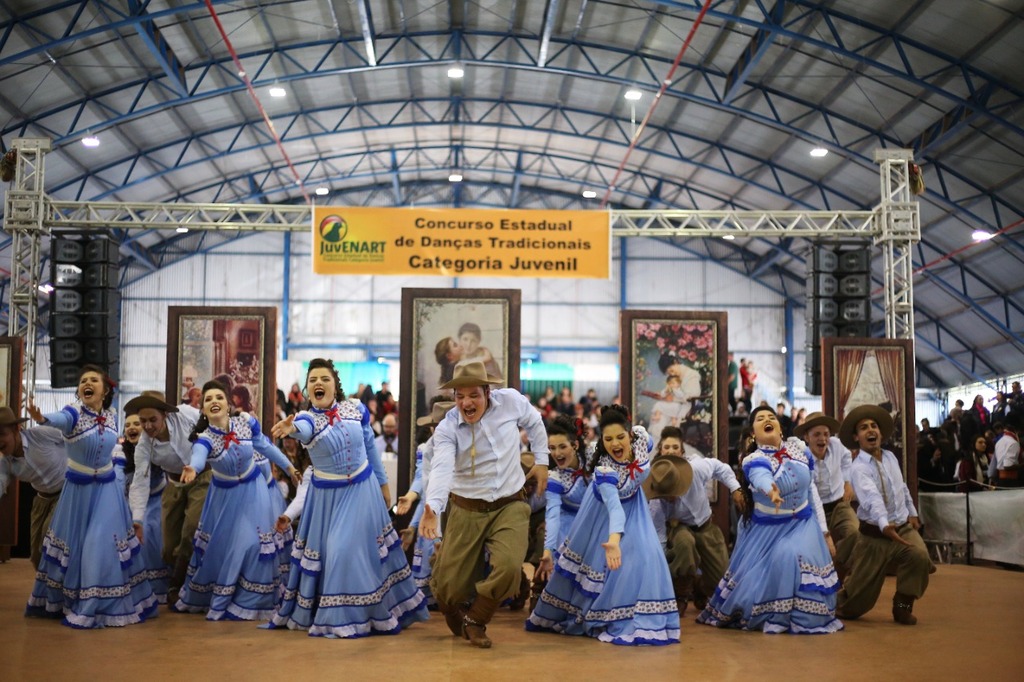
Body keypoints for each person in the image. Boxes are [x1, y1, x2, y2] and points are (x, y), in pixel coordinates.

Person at [267, 358, 428, 637]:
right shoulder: (307, 419)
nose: (319, 383)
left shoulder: (356, 409)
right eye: (313, 380)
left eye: (325, 379)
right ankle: (346, 615)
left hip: (363, 491)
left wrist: (383, 484)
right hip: (327, 498)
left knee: (349, 551)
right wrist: (291, 429)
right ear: (307, 389)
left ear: (335, 385)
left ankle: (358, 614)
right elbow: (302, 429)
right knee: (336, 553)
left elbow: (369, 446)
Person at [419, 360, 549, 649]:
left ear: (487, 391)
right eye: (460, 396)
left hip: (509, 504)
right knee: (449, 588)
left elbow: (534, 421)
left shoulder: (511, 401)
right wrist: (433, 506)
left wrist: (542, 461)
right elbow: (441, 468)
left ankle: (477, 619)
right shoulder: (447, 428)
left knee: (509, 567)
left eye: (473, 394)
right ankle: (454, 607)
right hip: (467, 507)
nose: (466, 402)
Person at [526, 404, 678, 645]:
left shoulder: (641, 439)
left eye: (620, 437)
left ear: (630, 434)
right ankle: (589, 611)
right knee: (594, 568)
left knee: (647, 559)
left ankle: (638, 613)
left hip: (636, 509)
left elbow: (645, 454)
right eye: (608, 439)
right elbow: (611, 507)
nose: (615, 443)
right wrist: (548, 551)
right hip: (601, 515)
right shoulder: (604, 470)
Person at [25, 365, 158, 628]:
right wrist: (41, 418)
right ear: (79, 390)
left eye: (93, 380)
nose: (87, 383)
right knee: (77, 547)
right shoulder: (73, 414)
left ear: (104, 389)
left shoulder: (111, 417)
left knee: (100, 544)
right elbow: (57, 419)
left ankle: (97, 602)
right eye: (83, 381)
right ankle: (75, 599)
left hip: (107, 491)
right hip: (78, 493)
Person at [696, 405, 842, 634]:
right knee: (767, 574)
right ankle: (776, 612)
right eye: (760, 418)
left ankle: (802, 614)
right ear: (754, 433)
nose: (766, 419)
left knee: (791, 554)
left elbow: (811, 491)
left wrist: (824, 531)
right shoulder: (753, 459)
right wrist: (770, 490)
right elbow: (760, 476)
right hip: (768, 530)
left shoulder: (799, 451)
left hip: (803, 524)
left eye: (771, 417)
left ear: (780, 428)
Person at [173, 381, 298, 620]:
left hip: (255, 490)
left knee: (252, 544)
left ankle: (252, 599)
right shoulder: (204, 439)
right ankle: (224, 593)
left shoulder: (246, 423)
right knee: (225, 549)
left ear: (228, 404)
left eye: (218, 397)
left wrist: (290, 467)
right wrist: (193, 468)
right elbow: (198, 458)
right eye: (208, 399)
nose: (214, 402)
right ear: (203, 410)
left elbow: (266, 446)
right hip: (225, 498)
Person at [836, 404, 931, 625]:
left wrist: (912, 513)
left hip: (902, 529)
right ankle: (828, 603)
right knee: (855, 602)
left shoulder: (890, 457)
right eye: (864, 428)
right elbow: (871, 498)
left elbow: (902, 487)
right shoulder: (858, 468)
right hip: (873, 537)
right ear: (856, 437)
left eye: (874, 426)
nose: (871, 430)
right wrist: (884, 524)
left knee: (919, 557)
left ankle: (901, 608)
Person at [647, 426, 744, 614]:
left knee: (721, 584)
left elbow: (720, 468)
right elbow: (660, 537)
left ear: (682, 452)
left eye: (675, 447)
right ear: (660, 451)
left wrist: (735, 489)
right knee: (684, 542)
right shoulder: (657, 484)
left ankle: (701, 588)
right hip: (678, 528)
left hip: (705, 525)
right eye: (666, 447)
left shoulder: (696, 467)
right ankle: (680, 594)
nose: (671, 451)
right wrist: (665, 566)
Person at [125, 391, 202, 606]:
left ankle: (178, 587)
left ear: (165, 415)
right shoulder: (142, 447)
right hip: (174, 484)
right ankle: (179, 579)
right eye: (143, 421)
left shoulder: (185, 415)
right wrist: (137, 520)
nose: (148, 426)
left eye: (153, 420)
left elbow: (209, 423)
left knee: (191, 530)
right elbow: (139, 483)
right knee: (168, 547)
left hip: (202, 478)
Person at [396, 400, 457, 609]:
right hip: (432, 513)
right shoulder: (427, 449)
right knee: (431, 552)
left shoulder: (465, 449)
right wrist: (411, 503)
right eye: (437, 425)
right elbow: (422, 483)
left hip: (455, 514)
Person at [532, 415, 589, 613]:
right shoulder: (554, 477)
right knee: (562, 544)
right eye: (552, 448)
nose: (557, 453)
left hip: (597, 520)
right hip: (568, 523)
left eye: (562, 446)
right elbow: (553, 515)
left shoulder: (593, 459)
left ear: (574, 445)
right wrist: (547, 552)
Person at [795, 412, 859, 579]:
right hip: (813, 511)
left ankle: (837, 573)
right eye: (816, 434)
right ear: (806, 438)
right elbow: (809, 494)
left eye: (826, 434)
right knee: (809, 547)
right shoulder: (800, 457)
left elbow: (847, 459)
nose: (822, 439)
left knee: (854, 533)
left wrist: (847, 481)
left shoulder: (838, 445)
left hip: (839, 504)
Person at [114, 413, 171, 602]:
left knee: (155, 535)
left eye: (136, 423)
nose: (131, 427)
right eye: (127, 424)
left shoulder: (156, 447)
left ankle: (160, 589)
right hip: (132, 506)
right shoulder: (119, 452)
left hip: (158, 501)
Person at [0, 406, 66, 567]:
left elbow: (72, 436)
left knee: (48, 539)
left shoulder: (42, 434)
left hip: (67, 493)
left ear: (17, 429)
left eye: (1, 434)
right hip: (42, 499)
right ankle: (45, 590)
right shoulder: (5, 463)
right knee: (36, 556)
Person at [992, 414, 1021, 487]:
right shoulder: (1013, 443)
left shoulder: (999, 442)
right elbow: (1007, 466)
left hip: (1000, 479)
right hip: (1011, 480)